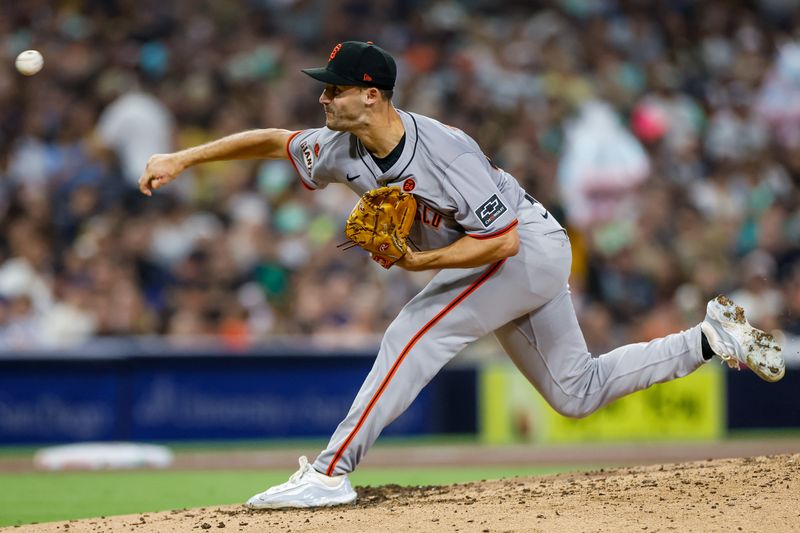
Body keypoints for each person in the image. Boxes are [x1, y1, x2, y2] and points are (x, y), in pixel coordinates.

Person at [138, 41, 786, 509]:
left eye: (334, 87)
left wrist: (421, 262)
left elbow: (499, 242)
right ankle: (707, 339)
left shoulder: (444, 147)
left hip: (524, 248)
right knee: (575, 391)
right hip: (512, 256)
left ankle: (332, 470)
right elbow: (273, 140)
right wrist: (183, 158)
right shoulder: (339, 146)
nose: (322, 96)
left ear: (372, 94)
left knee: (414, 328)